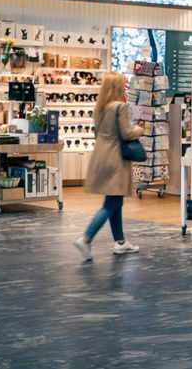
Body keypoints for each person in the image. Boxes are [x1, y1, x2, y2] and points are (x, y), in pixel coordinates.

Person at [74, 72, 145, 260]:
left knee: (115, 200)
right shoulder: (120, 107)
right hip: (115, 159)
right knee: (111, 202)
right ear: (118, 86)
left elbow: (98, 133)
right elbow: (127, 133)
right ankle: (86, 238)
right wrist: (140, 129)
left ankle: (120, 242)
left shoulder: (100, 108)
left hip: (101, 156)